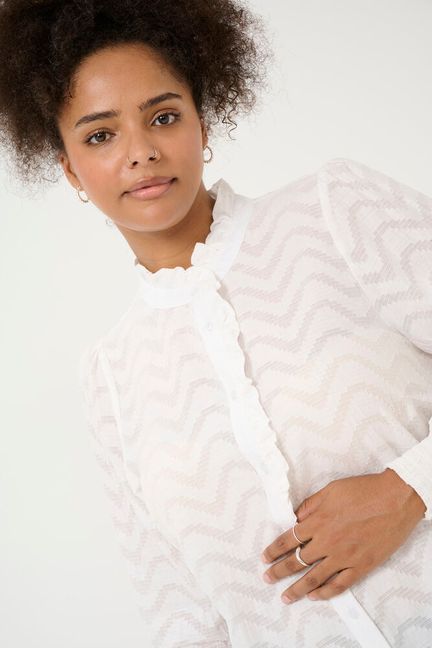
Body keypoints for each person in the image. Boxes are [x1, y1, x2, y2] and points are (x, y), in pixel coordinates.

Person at [1, 1, 431, 646]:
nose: (141, 152)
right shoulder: (112, 376)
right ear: (70, 170)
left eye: (163, 117)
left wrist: (410, 489)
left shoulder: (333, 213)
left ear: (202, 122)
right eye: (100, 136)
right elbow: (181, 615)